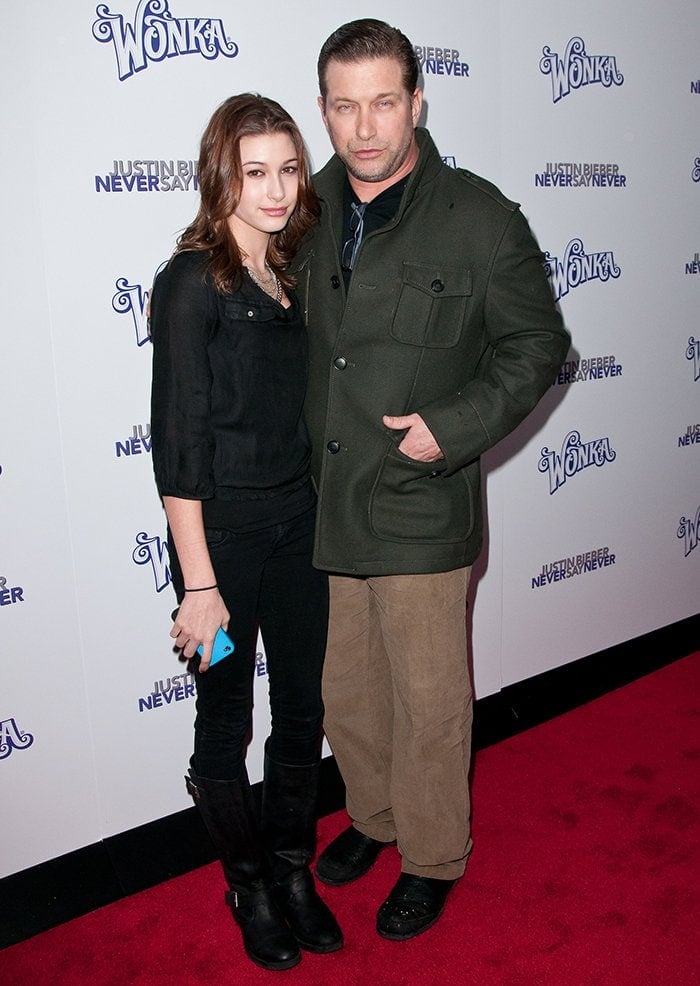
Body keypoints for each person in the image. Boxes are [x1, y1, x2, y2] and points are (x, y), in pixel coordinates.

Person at [292, 20, 571, 941]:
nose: (365, 125)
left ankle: (433, 855)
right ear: (323, 110)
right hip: (330, 504)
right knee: (350, 692)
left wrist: (450, 431)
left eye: (383, 101)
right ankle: (375, 820)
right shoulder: (305, 208)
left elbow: (539, 346)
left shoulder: (481, 218)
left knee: (430, 701)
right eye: (344, 104)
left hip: (419, 500)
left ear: (417, 101)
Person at [149, 93, 342, 972]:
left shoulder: (295, 272)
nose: (274, 190)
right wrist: (198, 586)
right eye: (253, 171)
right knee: (225, 718)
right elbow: (178, 446)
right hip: (220, 550)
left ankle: (294, 869)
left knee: (303, 706)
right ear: (220, 176)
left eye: (288, 169)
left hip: (300, 532)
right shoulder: (191, 282)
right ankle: (249, 883)